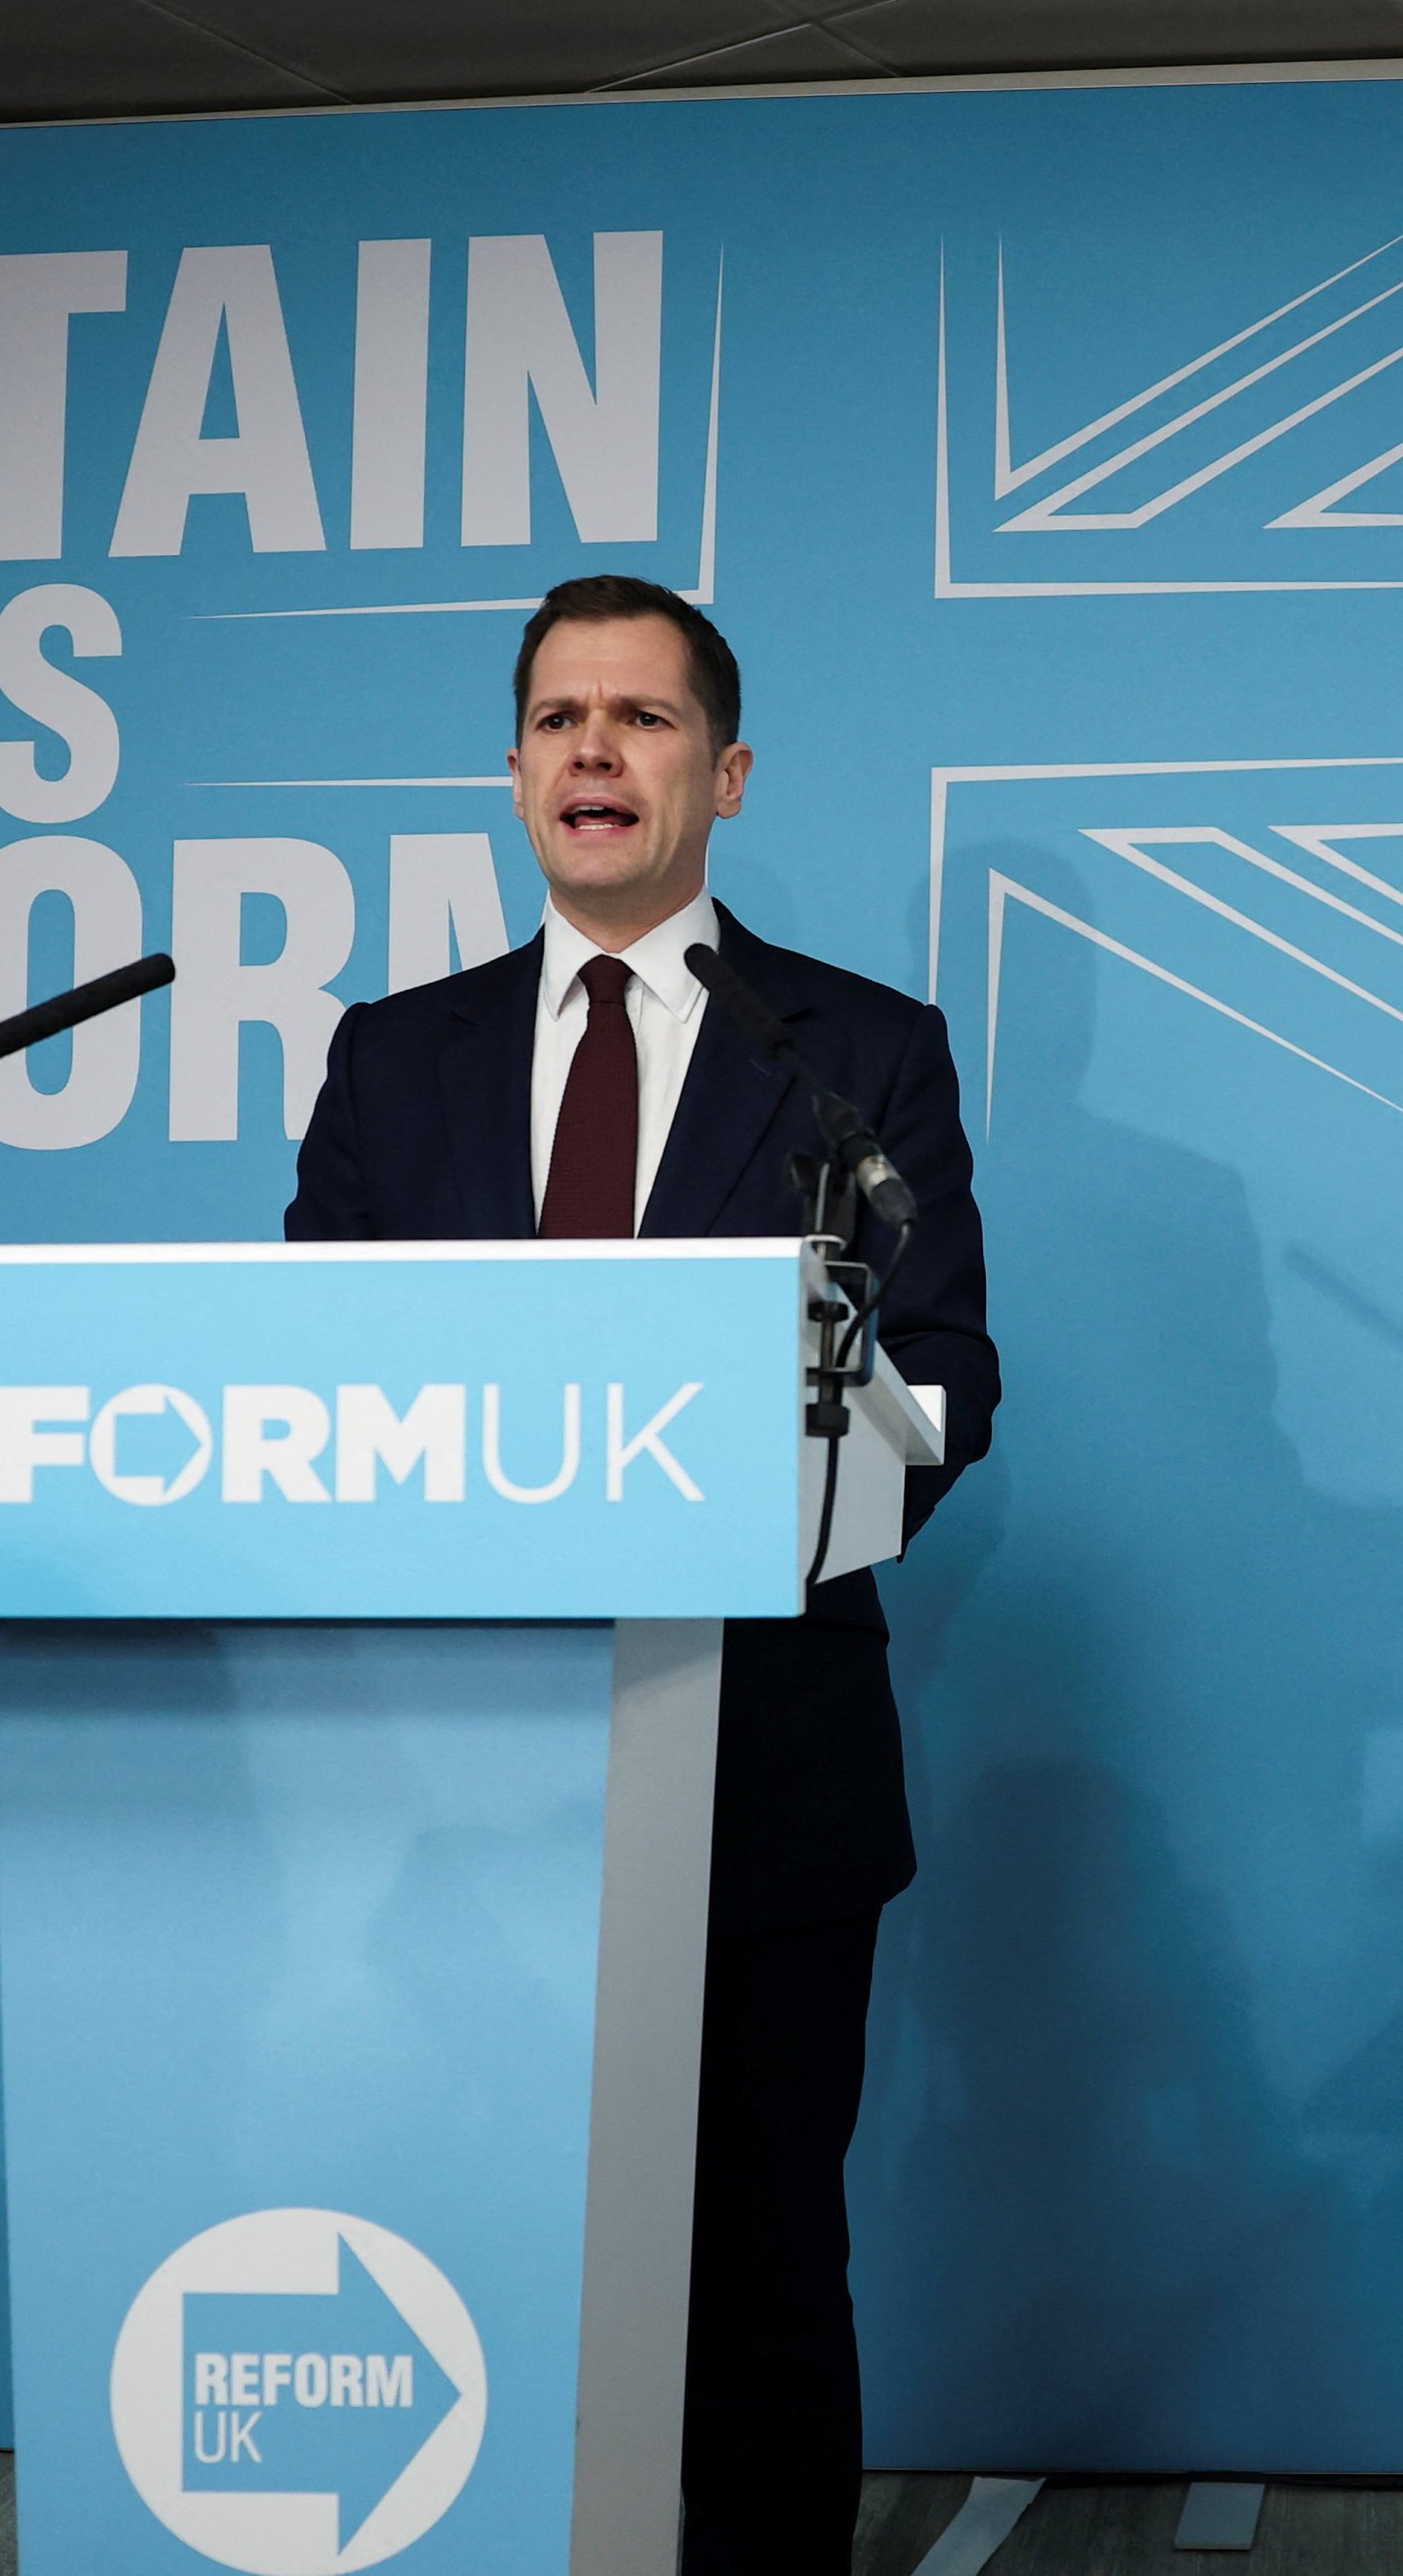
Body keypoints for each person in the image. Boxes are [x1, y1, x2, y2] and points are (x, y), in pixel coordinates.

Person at [288, 575, 996, 2576]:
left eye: (645, 718)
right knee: (470, 2234)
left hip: (758, 1757)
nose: (594, 749)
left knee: (759, 2262)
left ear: (728, 773)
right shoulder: (393, 1060)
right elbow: (312, 1384)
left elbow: (943, 1371)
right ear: (511, 770)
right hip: (453, 1761)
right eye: (557, 718)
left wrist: (789, 1504)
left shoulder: (856, 1050)